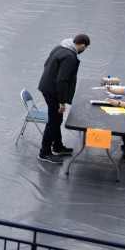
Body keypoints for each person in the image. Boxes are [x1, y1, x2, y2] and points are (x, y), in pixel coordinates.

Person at [37, 34, 90, 164]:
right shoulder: (70, 57)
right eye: (86, 48)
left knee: (57, 119)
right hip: (53, 91)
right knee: (54, 121)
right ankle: (44, 152)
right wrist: (62, 101)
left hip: (47, 87)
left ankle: (57, 146)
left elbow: (46, 64)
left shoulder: (60, 47)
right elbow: (62, 80)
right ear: (82, 45)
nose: (84, 50)